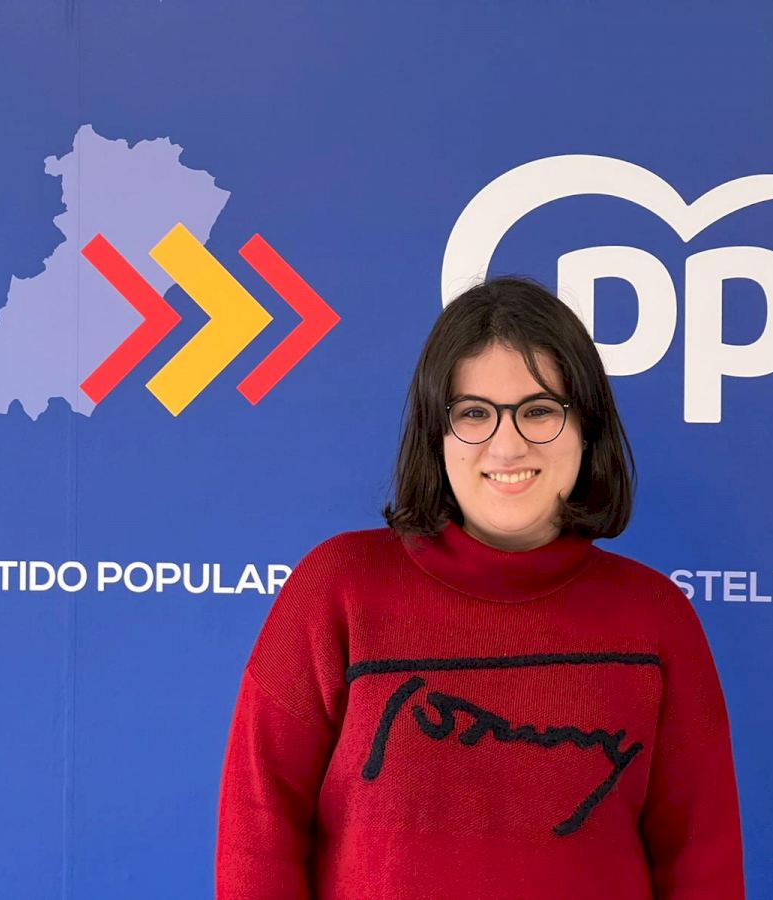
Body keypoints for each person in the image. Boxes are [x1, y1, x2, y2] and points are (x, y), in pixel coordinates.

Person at [215, 276, 745, 899]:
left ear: (587, 426)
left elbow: (702, 862)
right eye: (473, 413)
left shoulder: (655, 617)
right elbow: (257, 830)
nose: (507, 444)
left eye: (539, 410)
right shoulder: (337, 589)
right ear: (435, 435)